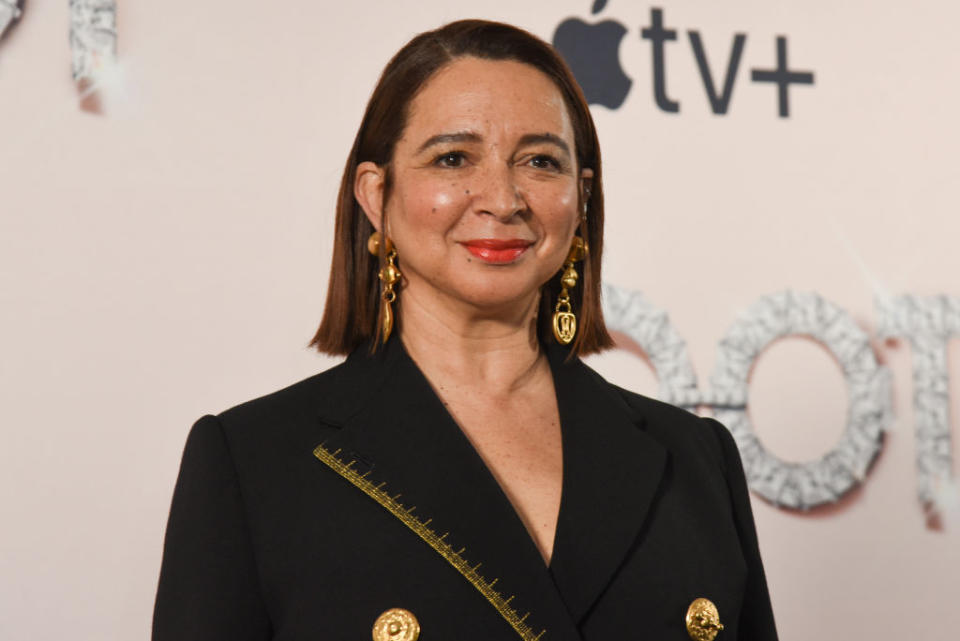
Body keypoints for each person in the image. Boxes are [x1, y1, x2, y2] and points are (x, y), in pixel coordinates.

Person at [152, 19, 778, 641]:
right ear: (376, 194)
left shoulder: (697, 460)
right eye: (453, 158)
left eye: (540, 161)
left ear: (581, 197)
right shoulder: (253, 462)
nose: (502, 198)